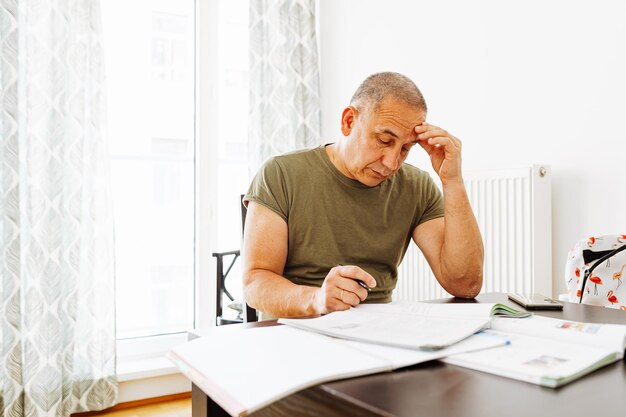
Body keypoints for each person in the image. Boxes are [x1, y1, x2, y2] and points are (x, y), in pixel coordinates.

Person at [242, 72, 484, 319]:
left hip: (377, 335)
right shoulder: (281, 174)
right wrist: (316, 299)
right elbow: (254, 284)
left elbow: (465, 285)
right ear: (348, 121)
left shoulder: (416, 186)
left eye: (405, 149)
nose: (392, 163)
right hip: (293, 333)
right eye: (384, 140)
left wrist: (452, 181)